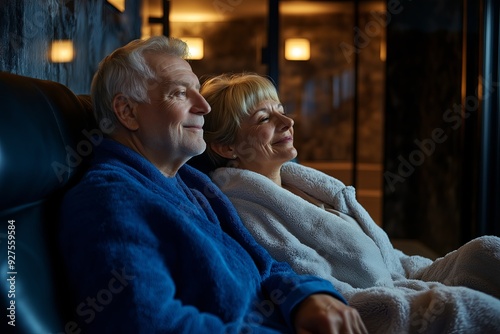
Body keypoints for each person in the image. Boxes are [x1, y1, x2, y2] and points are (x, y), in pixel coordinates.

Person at [58, 36, 368, 334]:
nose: (204, 106)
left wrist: (309, 297)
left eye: (198, 90)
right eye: (181, 93)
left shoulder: (190, 183)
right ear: (127, 111)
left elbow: (266, 265)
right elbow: (145, 324)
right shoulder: (109, 201)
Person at [199, 72, 500, 334]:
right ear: (227, 146)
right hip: (373, 304)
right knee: (466, 307)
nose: (287, 122)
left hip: (401, 279)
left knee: (486, 251)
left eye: (281, 110)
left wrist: (429, 272)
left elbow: (386, 256)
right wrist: (430, 297)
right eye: (265, 118)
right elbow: (319, 287)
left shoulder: (304, 186)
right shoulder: (247, 210)